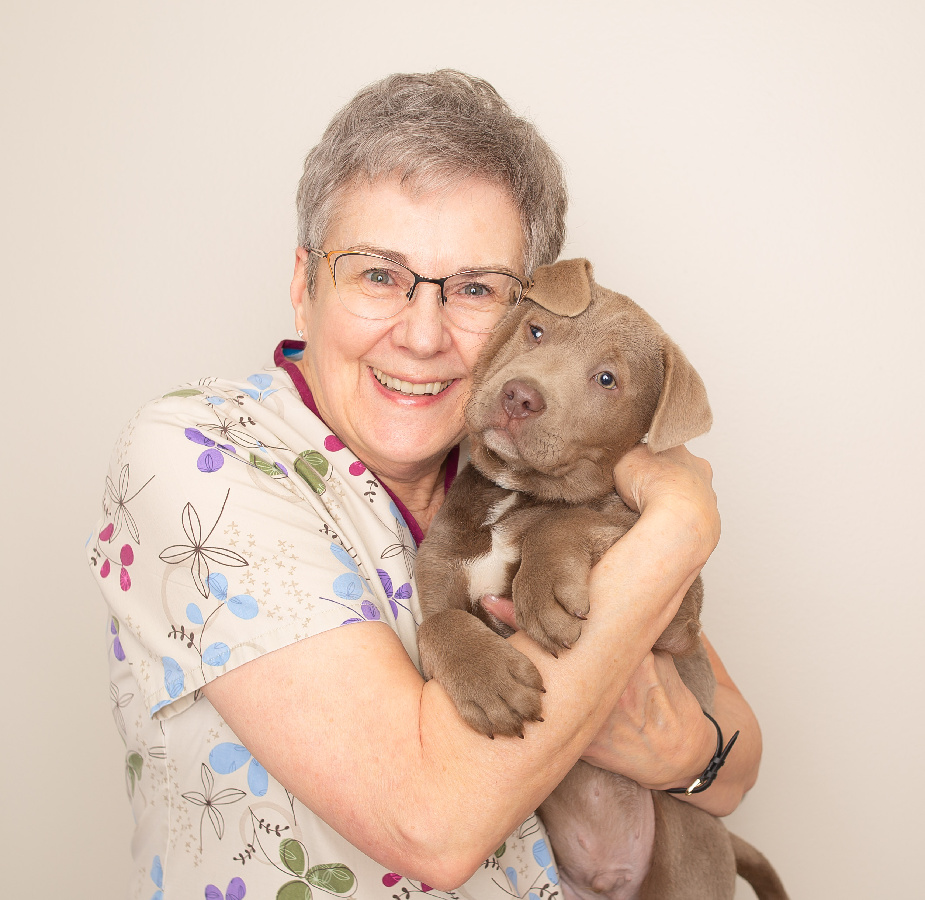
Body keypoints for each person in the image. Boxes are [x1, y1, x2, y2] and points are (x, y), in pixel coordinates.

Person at [89, 70, 761, 899]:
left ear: (526, 317)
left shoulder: (518, 471)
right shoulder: (199, 455)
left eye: (475, 289)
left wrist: (684, 758)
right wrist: (679, 527)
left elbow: (737, 758)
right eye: (377, 274)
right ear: (304, 286)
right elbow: (431, 827)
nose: (421, 333)